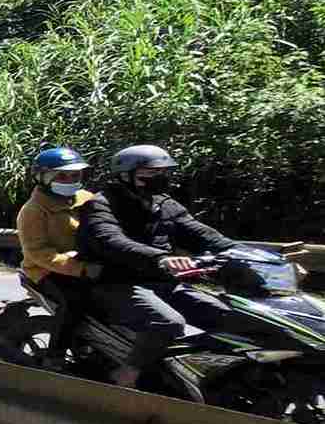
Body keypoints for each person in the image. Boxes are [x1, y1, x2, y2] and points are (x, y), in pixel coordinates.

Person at [75, 144, 233, 387]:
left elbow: (200, 232)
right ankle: (127, 373)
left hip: (162, 282)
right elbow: (111, 241)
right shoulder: (101, 204)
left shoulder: (164, 203)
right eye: (150, 173)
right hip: (117, 283)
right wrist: (160, 257)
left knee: (228, 316)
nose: (159, 179)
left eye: (163, 173)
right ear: (125, 175)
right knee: (168, 322)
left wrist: (237, 251)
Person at [16, 145, 101, 291]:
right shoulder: (34, 210)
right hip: (45, 271)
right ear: (42, 177)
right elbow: (37, 252)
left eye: (75, 175)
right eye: (61, 176)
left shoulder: (87, 198)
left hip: (89, 263)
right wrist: (80, 268)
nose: (70, 181)